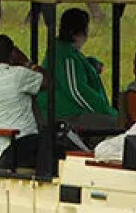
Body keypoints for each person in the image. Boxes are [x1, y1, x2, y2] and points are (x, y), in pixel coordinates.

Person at [0, 33, 44, 169]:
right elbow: (49, 81)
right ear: (13, 53)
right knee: (57, 141)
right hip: (20, 145)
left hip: (2, 151)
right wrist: (26, 62)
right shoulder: (18, 75)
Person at [46, 7, 118, 137]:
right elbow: (77, 91)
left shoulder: (66, 52)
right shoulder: (66, 55)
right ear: (79, 32)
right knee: (117, 126)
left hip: (70, 113)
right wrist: (105, 111)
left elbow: (73, 72)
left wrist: (90, 65)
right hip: (68, 115)